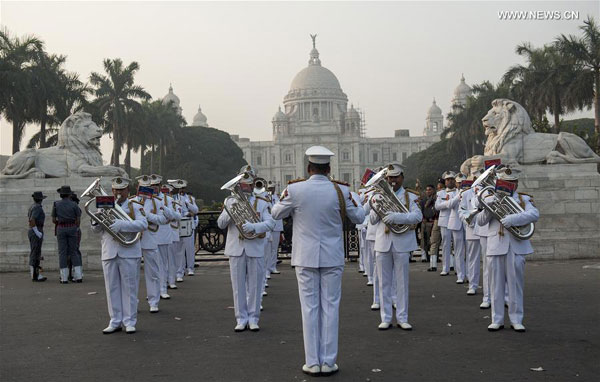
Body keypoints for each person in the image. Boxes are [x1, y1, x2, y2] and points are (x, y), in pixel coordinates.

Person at [272, 146, 365, 377]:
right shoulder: (341, 191)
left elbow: (275, 214)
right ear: (329, 169)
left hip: (305, 256)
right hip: (332, 256)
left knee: (309, 308)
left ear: (309, 168)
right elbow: (359, 217)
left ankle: (312, 362)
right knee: (331, 307)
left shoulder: (294, 189)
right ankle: (328, 361)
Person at [475, 167, 539, 332]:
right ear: (499, 183)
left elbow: (534, 215)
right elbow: (480, 222)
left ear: (516, 183)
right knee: (495, 284)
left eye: (511, 183)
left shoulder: (524, 199)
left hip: (516, 246)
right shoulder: (490, 197)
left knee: (515, 285)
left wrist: (513, 218)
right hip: (496, 245)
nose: (508, 185)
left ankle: (516, 319)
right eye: (505, 182)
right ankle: (496, 319)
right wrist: (488, 207)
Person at [218, 165, 275, 332]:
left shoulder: (262, 203)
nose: (246, 187)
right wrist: (232, 210)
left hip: (255, 247)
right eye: (243, 184)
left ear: (252, 185)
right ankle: (241, 318)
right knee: (238, 287)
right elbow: (221, 224)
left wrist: (254, 227)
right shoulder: (230, 201)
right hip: (236, 248)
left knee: (255, 286)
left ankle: (254, 318)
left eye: (248, 184)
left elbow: (271, 223)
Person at [369, 163, 422, 331]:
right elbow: (372, 221)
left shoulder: (410, 197)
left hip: (401, 243)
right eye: (389, 178)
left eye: (395, 177)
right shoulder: (379, 195)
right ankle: (385, 318)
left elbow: (417, 216)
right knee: (384, 283)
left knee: (402, 282)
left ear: (402, 178)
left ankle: (402, 317)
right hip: (383, 242)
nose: (392, 180)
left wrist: (397, 217)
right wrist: (375, 205)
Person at [92, 176, 147, 334]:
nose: (118, 192)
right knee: (111, 288)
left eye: (121, 190)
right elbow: (96, 230)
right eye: (115, 190)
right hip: (109, 250)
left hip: (129, 251)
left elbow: (143, 224)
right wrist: (96, 221)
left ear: (127, 190)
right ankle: (115, 320)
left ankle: (130, 321)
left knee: (129, 288)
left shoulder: (134, 206)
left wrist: (122, 224)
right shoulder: (104, 205)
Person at [135, 175, 170, 313]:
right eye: (141, 187)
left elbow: (162, 219)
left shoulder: (157, 201)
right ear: (137, 188)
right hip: (134, 241)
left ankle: (153, 301)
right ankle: (133, 303)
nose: (144, 190)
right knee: (133, 275)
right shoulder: (132, 201)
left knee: (153, 272)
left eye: (147, 188)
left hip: (150, 238)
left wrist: (146, 216)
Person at [151, 175, 179, 300]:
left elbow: (177, 216)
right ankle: (153, 291)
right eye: (151, 186)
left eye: (156, 185)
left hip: (162, 234)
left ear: (160, 186)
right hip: (149, 235)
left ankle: (162, 289)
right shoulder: (145, 200)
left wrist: (165, 210)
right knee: (151, 266)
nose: (154, 188)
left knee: (162, 264)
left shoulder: (167, 199)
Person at [460, 169, 483, 295]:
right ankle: (472, 285)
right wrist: (467, 219)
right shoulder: (466, 194)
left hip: (487, 230)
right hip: (472, 228)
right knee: (473, 259)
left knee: (488, 260)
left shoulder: (490, 193)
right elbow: (461, 211)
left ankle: (490, 291)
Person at [52, 185, 81, 283]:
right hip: (72, 227)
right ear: (69, 195)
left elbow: (53, 219)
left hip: (61, 228)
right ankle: (78, 276)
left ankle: (64, 278)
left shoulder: (56, 204)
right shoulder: (74, 204)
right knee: (74, 251)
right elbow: (78, 219)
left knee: (62, 253)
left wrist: (60, 223)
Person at [172, 180, 199, 279]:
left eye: (183, 188)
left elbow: (196, 210)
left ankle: (190, 268)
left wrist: (188, 204)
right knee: (179, 250)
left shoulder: (190, 199)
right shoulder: (173, 198)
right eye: (179, 188)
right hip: (178, 224)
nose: (181, 190)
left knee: (190, 248)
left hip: (188, 224)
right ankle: (179, 271)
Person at [435, 172, 457, 276]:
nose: (450, 181)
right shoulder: (441, 193)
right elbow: (437, 206)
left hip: (456, 220)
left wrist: (446, 204)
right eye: (448, 180)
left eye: (452, 179)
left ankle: (458, 267)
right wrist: (448, 204)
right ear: (445, 181)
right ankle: (445, 268)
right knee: (445, 245)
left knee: (457, 245)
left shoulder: (458, 191)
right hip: (445, 221)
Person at [447, 173, 467, 284]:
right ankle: (460, 275)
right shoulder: (451, 193)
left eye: (462, 182)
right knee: (458, 251)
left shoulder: (470, 192)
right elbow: (449, 205)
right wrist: (458, 195)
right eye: (459, 182)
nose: (461, 184)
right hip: (456, 223)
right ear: (456, 183)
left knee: (469, 251)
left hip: (467, 223)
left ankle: (469, 274)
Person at [28, 191, 48, 282]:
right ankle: (35, 275)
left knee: (35, 251)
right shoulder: (37, 208)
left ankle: (34, 274)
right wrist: (37, 231)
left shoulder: (32, 206)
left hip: (34, 230)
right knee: (36, 252)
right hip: (36, 229)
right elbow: (32, 220)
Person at [266, 181, 283, 276]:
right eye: (269, 188)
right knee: (268, 249)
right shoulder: (265, 198)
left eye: (272, 188)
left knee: (274, 249)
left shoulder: (278, 197)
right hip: (268, 226)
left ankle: (273, 267)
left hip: (276, 226)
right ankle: (267, 270)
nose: (271, 190)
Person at [68, 193, 83, 282]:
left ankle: (77, 272)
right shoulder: (74, 207)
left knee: (75, 251)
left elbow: (78, 221)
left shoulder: (76, 208)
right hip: (74, 230)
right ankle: (74, 272)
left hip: (75, 230)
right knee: (73, 251)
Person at [419, 185, 436, 264]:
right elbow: (420, 210)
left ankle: (434, 256)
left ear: (433, 190)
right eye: (427, 190)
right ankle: (424, 255)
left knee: (434, 240)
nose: (428, 191)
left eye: (430, 189)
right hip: (425, 221)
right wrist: (423, 218)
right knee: (424, 239)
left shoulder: (435, 199)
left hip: (434, 221)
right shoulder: (423, 200)